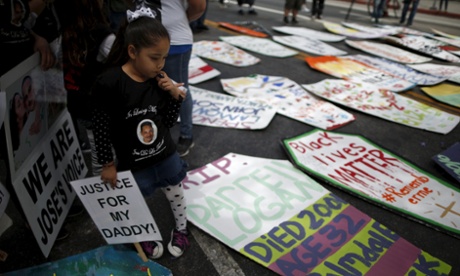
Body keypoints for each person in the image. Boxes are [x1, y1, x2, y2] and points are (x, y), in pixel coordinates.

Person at [91, 10, 190, 259]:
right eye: (154, 57)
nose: (160, 65)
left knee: (175, 192)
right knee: (136, 203)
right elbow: (100, 126)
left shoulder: (158, 80)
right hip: (133, 164)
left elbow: (166, 123)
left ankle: (181, 229)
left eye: (164, 58)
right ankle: (144, 234)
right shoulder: (110, 82)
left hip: (165, 155)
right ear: (133, 51)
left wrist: (175, 97)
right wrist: (107, 164)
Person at [143, 0, 206, 157]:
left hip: (175, 41)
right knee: (153, 89)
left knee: (179, 89)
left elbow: (199, 6)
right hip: (147, 40)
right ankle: (155, 134)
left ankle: (186, 135)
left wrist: (179, 18)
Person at [60, 0, 116, 175]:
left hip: (78, 102)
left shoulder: (66, 30)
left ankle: (105, 189)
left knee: (97, 148)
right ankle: (105, 195)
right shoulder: (103, 35)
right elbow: (121, 65)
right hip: (98, 105)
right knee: (106, 154)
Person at [0, 0, 55, 76]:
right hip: (6, 73)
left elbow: (21, 23)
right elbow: (13, 13)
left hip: (28, 67)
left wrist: (36, 37)